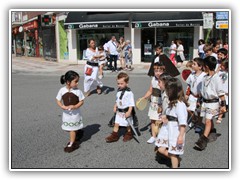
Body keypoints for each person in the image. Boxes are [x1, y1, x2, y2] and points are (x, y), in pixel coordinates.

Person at [194, 56, 226, 150]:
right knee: (209, 119)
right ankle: (212, 131)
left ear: (207, 66)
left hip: (213, 103)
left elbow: (221, 93)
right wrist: (199, 100)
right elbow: (203, 91)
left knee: (207, 121)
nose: (203, 67)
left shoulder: (217, 78)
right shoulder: (205, 77)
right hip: (205, 102)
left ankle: (202, 141)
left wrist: (223, 105)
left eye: (203, 65)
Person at [156, 78, 188, 168]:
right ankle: (177, 160)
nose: (166, 92)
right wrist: (165, 117)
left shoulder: (180, 105)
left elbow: (182, 122)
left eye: (168, 90)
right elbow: (172, 117)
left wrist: (181, 136)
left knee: (173, 153)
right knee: (161, 149)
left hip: (175, 132)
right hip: (168, 130)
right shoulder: (172, 103)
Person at [56, 70, 85, 153]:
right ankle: (78, 132)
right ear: (68, 82)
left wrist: (75, 106)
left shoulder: (78, 91)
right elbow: (58, 99)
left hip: (75, 114)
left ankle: (72, 143)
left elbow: (82, 101)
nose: (77, 83)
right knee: (69, 128)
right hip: (66, 114)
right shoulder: (62, 90)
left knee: (72, 129)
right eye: (75, 81)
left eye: (77, 81)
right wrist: (62, 106)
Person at [105, 72, 135, 142]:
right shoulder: (118, 91)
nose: (119, 85)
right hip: (119, 112)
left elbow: (131, 104)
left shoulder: (129, 93)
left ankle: (129, 133)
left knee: (127, 124)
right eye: (118, 83)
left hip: (126, 111)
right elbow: (117, 100)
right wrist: (115, 106)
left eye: (121, 84)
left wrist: (129, 111)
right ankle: (114, 135)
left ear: (127, 83)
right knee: (116, 123)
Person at [141, 62, 165, 144]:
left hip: (161, 102)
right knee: (152, 119)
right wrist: (144, 97)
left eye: (160, 71)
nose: (157, 73)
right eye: (156, 71)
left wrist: (163, 104)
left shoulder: (165, 80)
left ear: (163, 71)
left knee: (160, 120)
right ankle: (153, 136)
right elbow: (150, 90)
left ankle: (161, 136)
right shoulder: (153, 79)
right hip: (153, 101)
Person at [185, 58, 206, 129]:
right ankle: (194, 119)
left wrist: (201, 98)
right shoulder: (192, 74)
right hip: (192, 95)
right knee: (188, 109)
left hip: (200, 97)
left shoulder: (204, 76)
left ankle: (199, 124)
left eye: (194, 64)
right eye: (192, 64)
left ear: (200, 67)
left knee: (199, 112)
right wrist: (187, 94)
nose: (192, 65)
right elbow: (189, 85)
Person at [154, 73, 172, 149]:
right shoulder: (163, 92)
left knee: (168, 137)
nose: (158, 85)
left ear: (165, 83)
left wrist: (165, 117)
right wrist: (161, 107)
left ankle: (170, 155)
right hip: (165, 118)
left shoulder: (169, 95)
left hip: (169, 120)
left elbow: (171, 109)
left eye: (159, 82)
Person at [216, 59, 228, 124]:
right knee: (219, 104)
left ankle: (220, 117)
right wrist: (217, 70)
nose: (221, 66)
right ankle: (220, 113)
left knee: (223, 104)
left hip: (226, 91)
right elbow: (214, 76)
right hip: (220, 90)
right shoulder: (220, 72)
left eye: (223, 65)